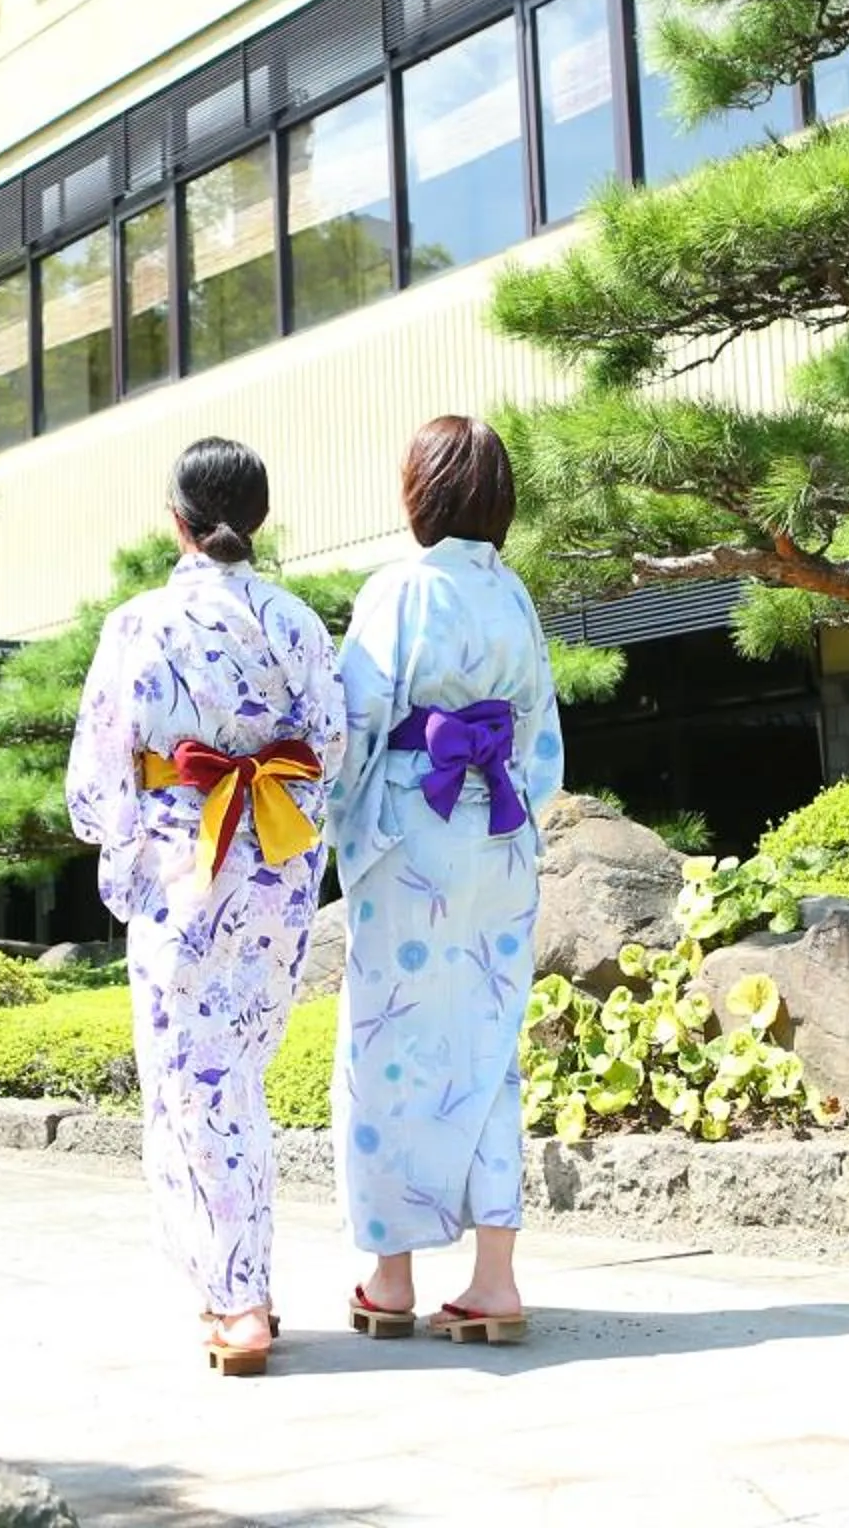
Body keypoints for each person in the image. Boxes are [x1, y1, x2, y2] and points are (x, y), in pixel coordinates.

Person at [65, 438, 345, 1377]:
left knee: (195, 1080)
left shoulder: (139, 624)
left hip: (185, 861)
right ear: (254, 517)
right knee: (240, 1070)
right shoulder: (298, 621)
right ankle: (235, 1286)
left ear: (176, 520)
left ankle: (238, 1298)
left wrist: (120, 842)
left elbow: (100, 778)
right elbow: (332, 746)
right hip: (275, 858)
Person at [329, 415, 563, 1345]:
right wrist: (508, 811)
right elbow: (541, 739)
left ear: (419, 494)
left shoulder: (400, 591)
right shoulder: (515, 599)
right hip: (498, 834)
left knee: (387, 1046)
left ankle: (391, 1278)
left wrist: (338, 827)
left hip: (410, 836)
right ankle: (495, 1279)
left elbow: (353, 726)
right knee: (486, 1041)